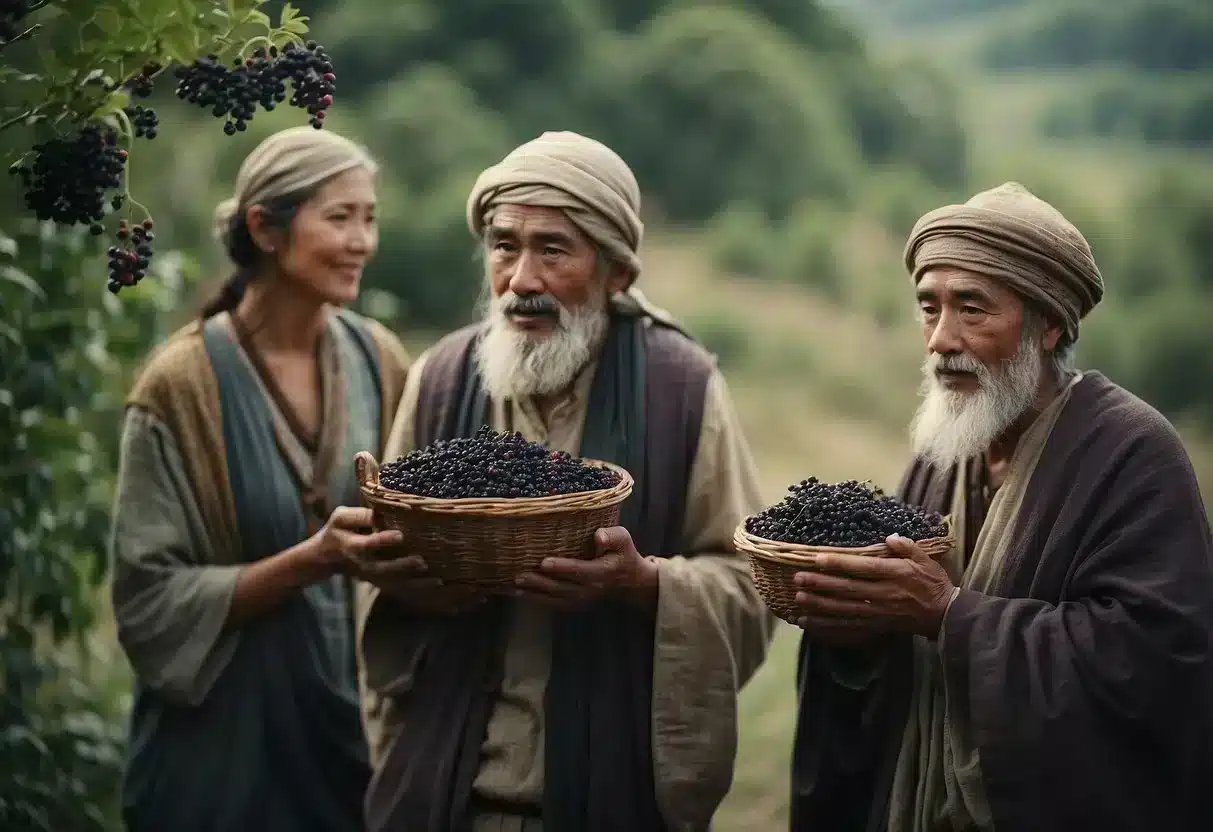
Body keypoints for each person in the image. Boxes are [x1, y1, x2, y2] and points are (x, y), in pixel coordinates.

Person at [353, 130, 776, 832]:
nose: (521, 279)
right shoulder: (442, 378)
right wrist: (395, 569)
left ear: (616, 274)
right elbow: (383, 574)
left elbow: (749, 584)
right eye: (503, 246)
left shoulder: (680, 387)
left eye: (552, 250)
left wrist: (642, 584)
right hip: (445, 787)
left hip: (608, 791)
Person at [787, 182, 1213, 832]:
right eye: (928, 309)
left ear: (1047, 325)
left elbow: (1149, 668)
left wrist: (946, 614)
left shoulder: (1132, 452)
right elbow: (894, 654)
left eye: (972, 310)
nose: (939, 338)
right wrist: (857, 632)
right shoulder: (943, 450)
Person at [108, 126, 415, 832]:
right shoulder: (180, 388)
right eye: (339, 217)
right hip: (217, 759)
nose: (362, 240)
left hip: (348, 743)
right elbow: (147, 599)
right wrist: (314, 561)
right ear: (265, 229)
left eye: (369, 217)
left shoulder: (380, 362)